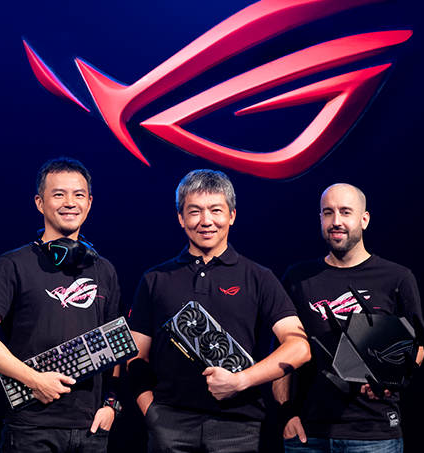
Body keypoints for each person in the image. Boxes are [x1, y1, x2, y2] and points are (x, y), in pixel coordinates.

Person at [126, 169, 311, 453]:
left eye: (216, 210)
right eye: (194, 211)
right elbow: (136, 356)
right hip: (168, 423)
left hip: (238, 427)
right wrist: (151, 412)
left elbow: (299, 348)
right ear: (180, 217)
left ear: (232, 215)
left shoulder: (258, 277)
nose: (206, 221)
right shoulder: (155, 279)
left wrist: (240, 380)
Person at [0, 157, 122, 453]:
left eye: (78, 195)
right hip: (31, 427)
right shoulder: (13, 264)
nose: (70, 203)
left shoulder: (104, 270)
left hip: (91, 429)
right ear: (40, 202)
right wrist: (34, 380)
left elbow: (114, 346)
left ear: (89, 203)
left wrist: (111, 405)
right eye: (59, 194)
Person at [274, 183, 424, 453]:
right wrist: (286, 413)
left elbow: (418, 345)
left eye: (345, 212)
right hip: (308, 435)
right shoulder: (297, 278)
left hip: (375, 435)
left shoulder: (397, 277)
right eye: (328, 213)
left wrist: (392, 380)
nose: (336, 221)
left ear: (364, 219)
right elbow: (280, 353)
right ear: (320, 219)